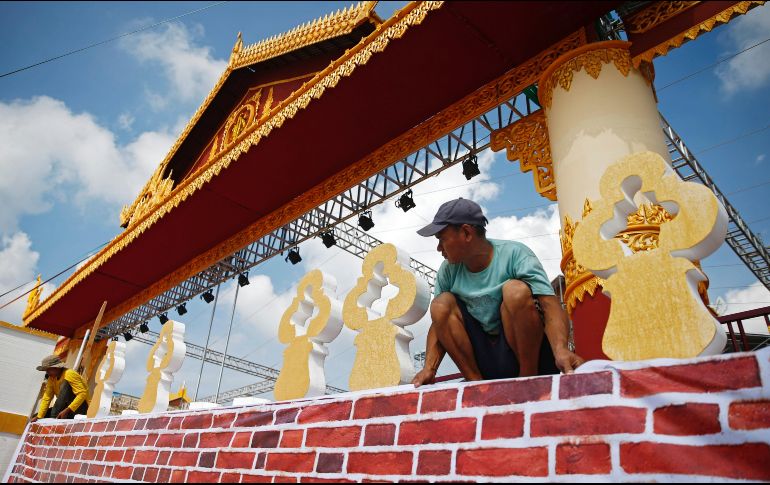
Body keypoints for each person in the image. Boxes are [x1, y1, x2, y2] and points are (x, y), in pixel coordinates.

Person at [412, 197, 585, 387]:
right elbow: (439, 323)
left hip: (527, 355)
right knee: (440, 304)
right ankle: (475, 384)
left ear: (467, 233)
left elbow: (550, 305)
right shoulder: (448, 270)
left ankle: (527, 379)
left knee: (515, 291)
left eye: (442, 239)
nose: (439, 248)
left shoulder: (515, 254)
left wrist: (560, 349)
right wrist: (430, 367)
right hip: (486, 358)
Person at [30, 354, 90, 422]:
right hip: (64, 407)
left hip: (81, 408)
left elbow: (82, 393)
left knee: (65, 384)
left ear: (56, 368)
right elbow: (47, 398)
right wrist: (39, 416)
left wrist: (67, 410)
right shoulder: (51, 379)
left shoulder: (69, 374)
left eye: (48, 369)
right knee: (36, 417)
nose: (47, 372)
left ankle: (53, 418)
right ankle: (52, 417)